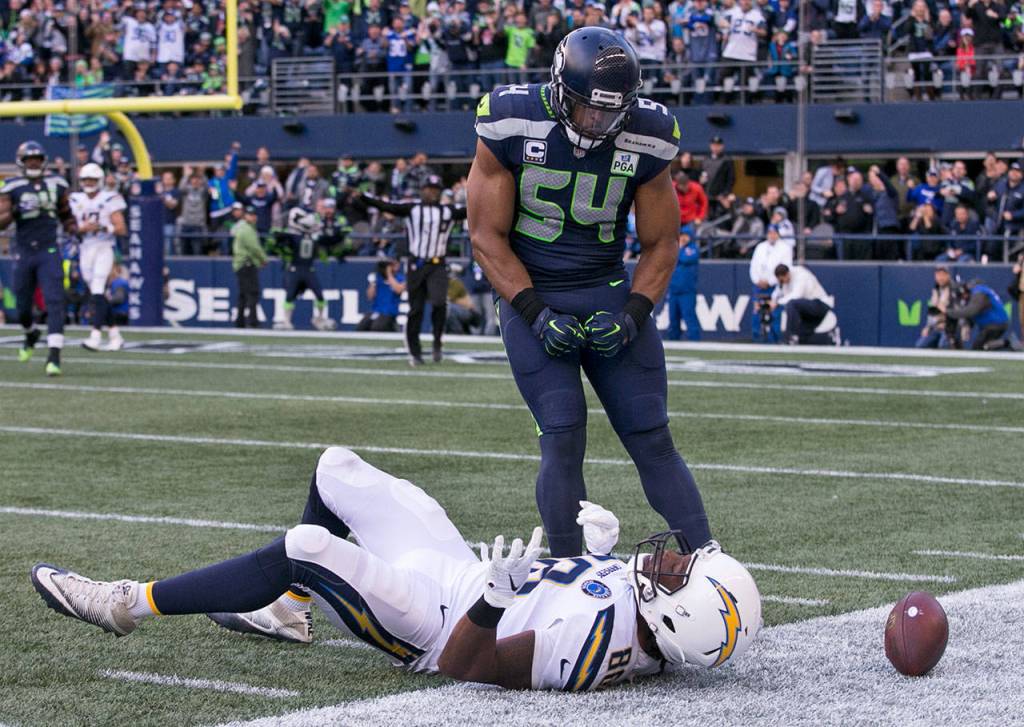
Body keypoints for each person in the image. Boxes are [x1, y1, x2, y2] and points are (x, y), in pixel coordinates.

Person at [29, 447, 762, 689]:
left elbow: (468, 665)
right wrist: (590, 555)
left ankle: (126, 602)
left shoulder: (595, 648)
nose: (669, 555)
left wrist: (495, 601)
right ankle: (279, 606)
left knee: (309, 546)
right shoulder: (639, 607)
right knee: (335, 468)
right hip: (460, 572)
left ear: (676, 615)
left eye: (679, 572)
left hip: (437, 622)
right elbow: (582, 590)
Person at [468, 28, 713, 558]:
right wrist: (533, 312)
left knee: (652, 436)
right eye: (586, 109)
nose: (597, 123)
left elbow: (662, 242)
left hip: (605, 289)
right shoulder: (511, 119)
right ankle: (569, 570)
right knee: (562, 433)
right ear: (558, 91)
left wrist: (632, 313)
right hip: (532, 292)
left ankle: (712, 564)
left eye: (610, 113)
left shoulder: (649, 133)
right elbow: (486, 237)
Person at [360, 175, 466, 365]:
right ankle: (415, 352)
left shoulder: (449, 211)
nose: (431, 192)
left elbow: (472, 210)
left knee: (439, 303)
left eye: (435, 189)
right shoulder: (412, 208)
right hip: (416, 264)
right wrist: (363, 196)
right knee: (415, 310)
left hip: (437, 264)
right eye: (428, 188)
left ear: (440, 191)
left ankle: (436, 342)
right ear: (422, 190)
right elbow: (387, 206)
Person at [0, 141, 77, 376]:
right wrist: (16, 210)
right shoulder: (11, 186)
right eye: (29, 159)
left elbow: (66, 214)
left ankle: (54, 356)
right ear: (21, 162)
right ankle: (31, 333)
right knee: (23, 307)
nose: (33, 163)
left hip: (49, 249)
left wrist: (75, 230)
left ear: (43, 161)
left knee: (55, 301)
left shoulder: (57, 183)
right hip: (24, 250)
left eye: (37, 159)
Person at [69, 163, 128, 352]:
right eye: (86, 179)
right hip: (85, 247)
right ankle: (115, 335)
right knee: (97, 292)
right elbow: (69, 226)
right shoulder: (75, 199)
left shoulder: (109, 198)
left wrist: (102, 227)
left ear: (99, 181)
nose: (89, 183)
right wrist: (81, 228)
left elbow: (121, 228)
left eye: (92, 180)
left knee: (97, 289)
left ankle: (95, 335)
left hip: (104, 247)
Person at [274, 199, 338, 331]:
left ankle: (319, 318)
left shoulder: (314, 236)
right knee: (290, 295)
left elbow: (330, 239)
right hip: (296, 268)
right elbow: (279, 238)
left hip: (309, 269)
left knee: (320, 295)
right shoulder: (293, 235)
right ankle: (287, 321)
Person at [770, 263, 834, 345]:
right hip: (808, 310)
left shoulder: (800, 274)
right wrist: (773, 300)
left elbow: (796, 296)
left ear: (787, 274)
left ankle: (790, 336)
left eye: (782, 280)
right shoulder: (784, 282)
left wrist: (777, 303)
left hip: (820, 304)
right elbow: (779, 294)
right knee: (802, 338)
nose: (782, 282)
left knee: (792, 304)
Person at [749, 224, 792, 342]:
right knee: (757, 312)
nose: (772, 235)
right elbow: (753, 266)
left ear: (778, 234)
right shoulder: (760, 247)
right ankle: (757, 340)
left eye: (774, 233)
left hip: (775, 286)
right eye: (770, 233)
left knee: (774, 313)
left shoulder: (785, 248)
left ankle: (774, 341)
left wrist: (770, 281)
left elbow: (785, 269)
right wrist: (757, 280)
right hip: (758, 286)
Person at [946, 278, 1011, 349]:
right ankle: (1003, 343)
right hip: (991, 324)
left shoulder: (979, 292)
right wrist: (967, 325)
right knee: (982, 347)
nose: (963, 299)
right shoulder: (975, 292)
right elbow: (972, 313)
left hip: (996, 324)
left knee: (978, 347)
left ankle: (1007, 342)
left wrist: (948, 312)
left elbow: (971, 311)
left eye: (962, 296)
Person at [231, 205, 266, 328]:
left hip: (242, 264)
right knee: (252, 293)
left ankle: (240, 321)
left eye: (254, 215)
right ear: (245, 216)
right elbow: (254, 247)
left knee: (243, 294)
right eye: (250, 215)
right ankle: (252, 321)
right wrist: (263, 259)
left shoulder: (244, 228)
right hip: (246, 264)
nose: (253, 217)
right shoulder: (247, 229)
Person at [665, 225, 700, 341]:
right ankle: (673, 341)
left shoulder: (693, 248)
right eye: (681, 235)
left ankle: (695, 342)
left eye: (685, 235)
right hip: (674, 290)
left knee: (689, 317)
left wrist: (678, 249)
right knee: (673, 319)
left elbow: (686, 258)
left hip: (687, 291)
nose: (683, 238)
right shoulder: (675, 248)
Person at [359, 257, 406, 332]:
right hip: (376, 311)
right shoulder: (378, 278)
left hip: (389, 313)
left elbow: (398, 290)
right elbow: (370, 296)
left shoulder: (400, 278)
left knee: (377, 327)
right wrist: (373, 282)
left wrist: (389, 274)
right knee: (361, 327)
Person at [916, 265, 955, 348]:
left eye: (943, 275)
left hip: (949, 328)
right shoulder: (936, 290)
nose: (940, 278)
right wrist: (928, 327)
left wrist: (946, 313)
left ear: (948, 275)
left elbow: (959, 312)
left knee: (943, 345)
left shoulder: (954, 290)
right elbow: (932, 312)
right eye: (938, 275)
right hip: (936, 328)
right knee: (920, 345)